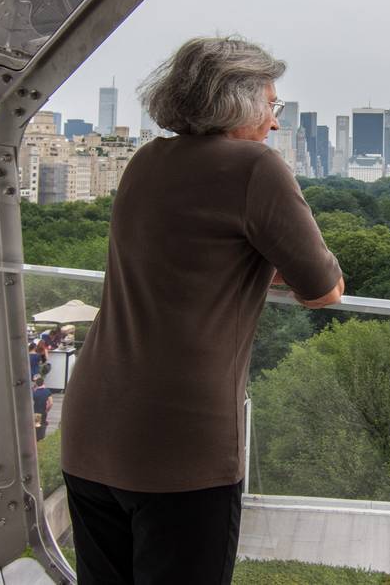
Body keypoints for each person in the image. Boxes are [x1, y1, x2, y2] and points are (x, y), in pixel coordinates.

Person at [61, 37, 343, 584]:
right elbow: (323, 288)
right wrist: (272, 256)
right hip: (181, 444)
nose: (275, 122)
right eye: (271, 105)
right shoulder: (256, 167)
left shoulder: (145, 160)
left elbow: (184, 254)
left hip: (92, 427)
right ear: (236, 104)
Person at [32, 376, 52, 441]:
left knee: (37, 426)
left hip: (36, 411)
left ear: (36, 384)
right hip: (44, 411)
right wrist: (47, 410)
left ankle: (37, 439)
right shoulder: (47, 391)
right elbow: (51, 403)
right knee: (43, 424)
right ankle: (42, 437)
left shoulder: (34, 393)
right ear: (43, 383)